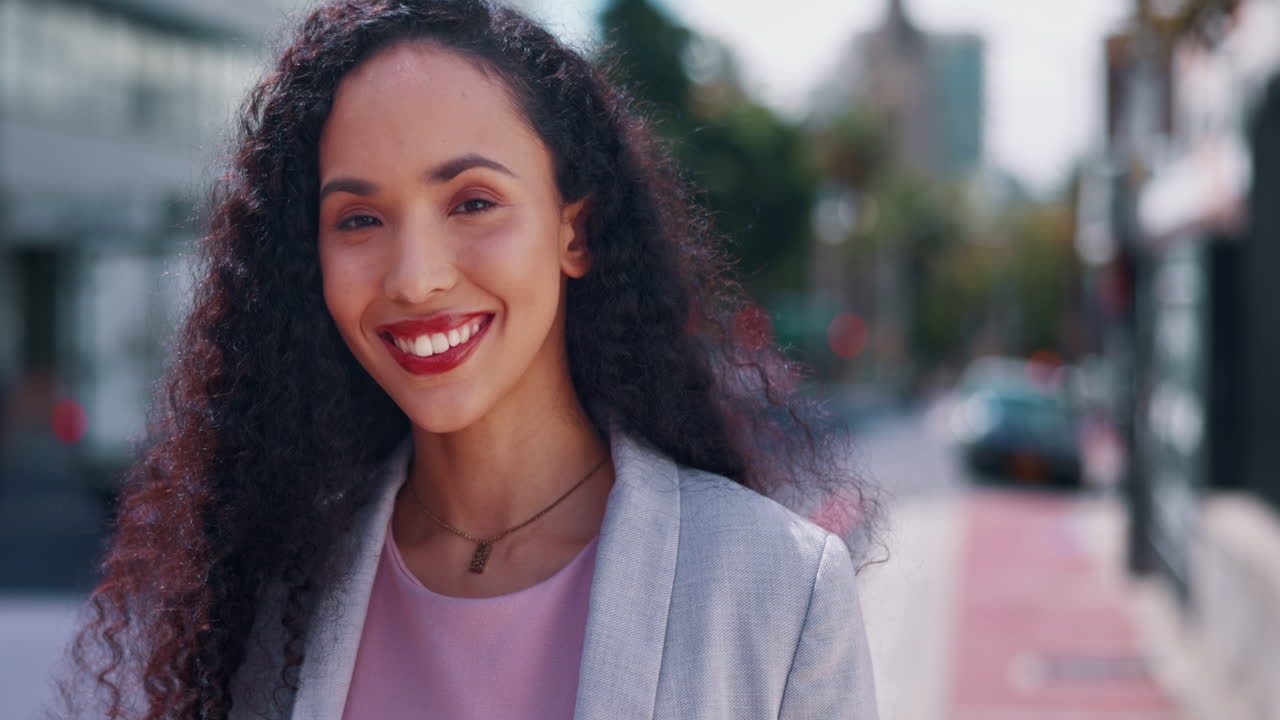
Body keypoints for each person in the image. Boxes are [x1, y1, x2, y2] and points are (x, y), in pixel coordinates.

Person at [59, 1, 880, 718]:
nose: (415, 278)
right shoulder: (273, 596)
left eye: (473, 202)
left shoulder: (778, 590)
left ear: (575, 232)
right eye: (358, 219)